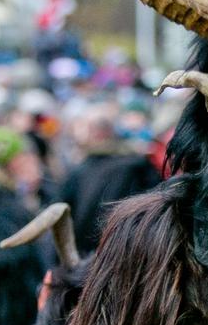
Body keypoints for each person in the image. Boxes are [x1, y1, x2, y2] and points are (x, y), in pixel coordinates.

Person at [56, 105, 161, 255]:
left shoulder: (80, 172)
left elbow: (64, 218)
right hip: (134, 253)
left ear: (94, 133)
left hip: (90, 260)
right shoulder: (139, 164)